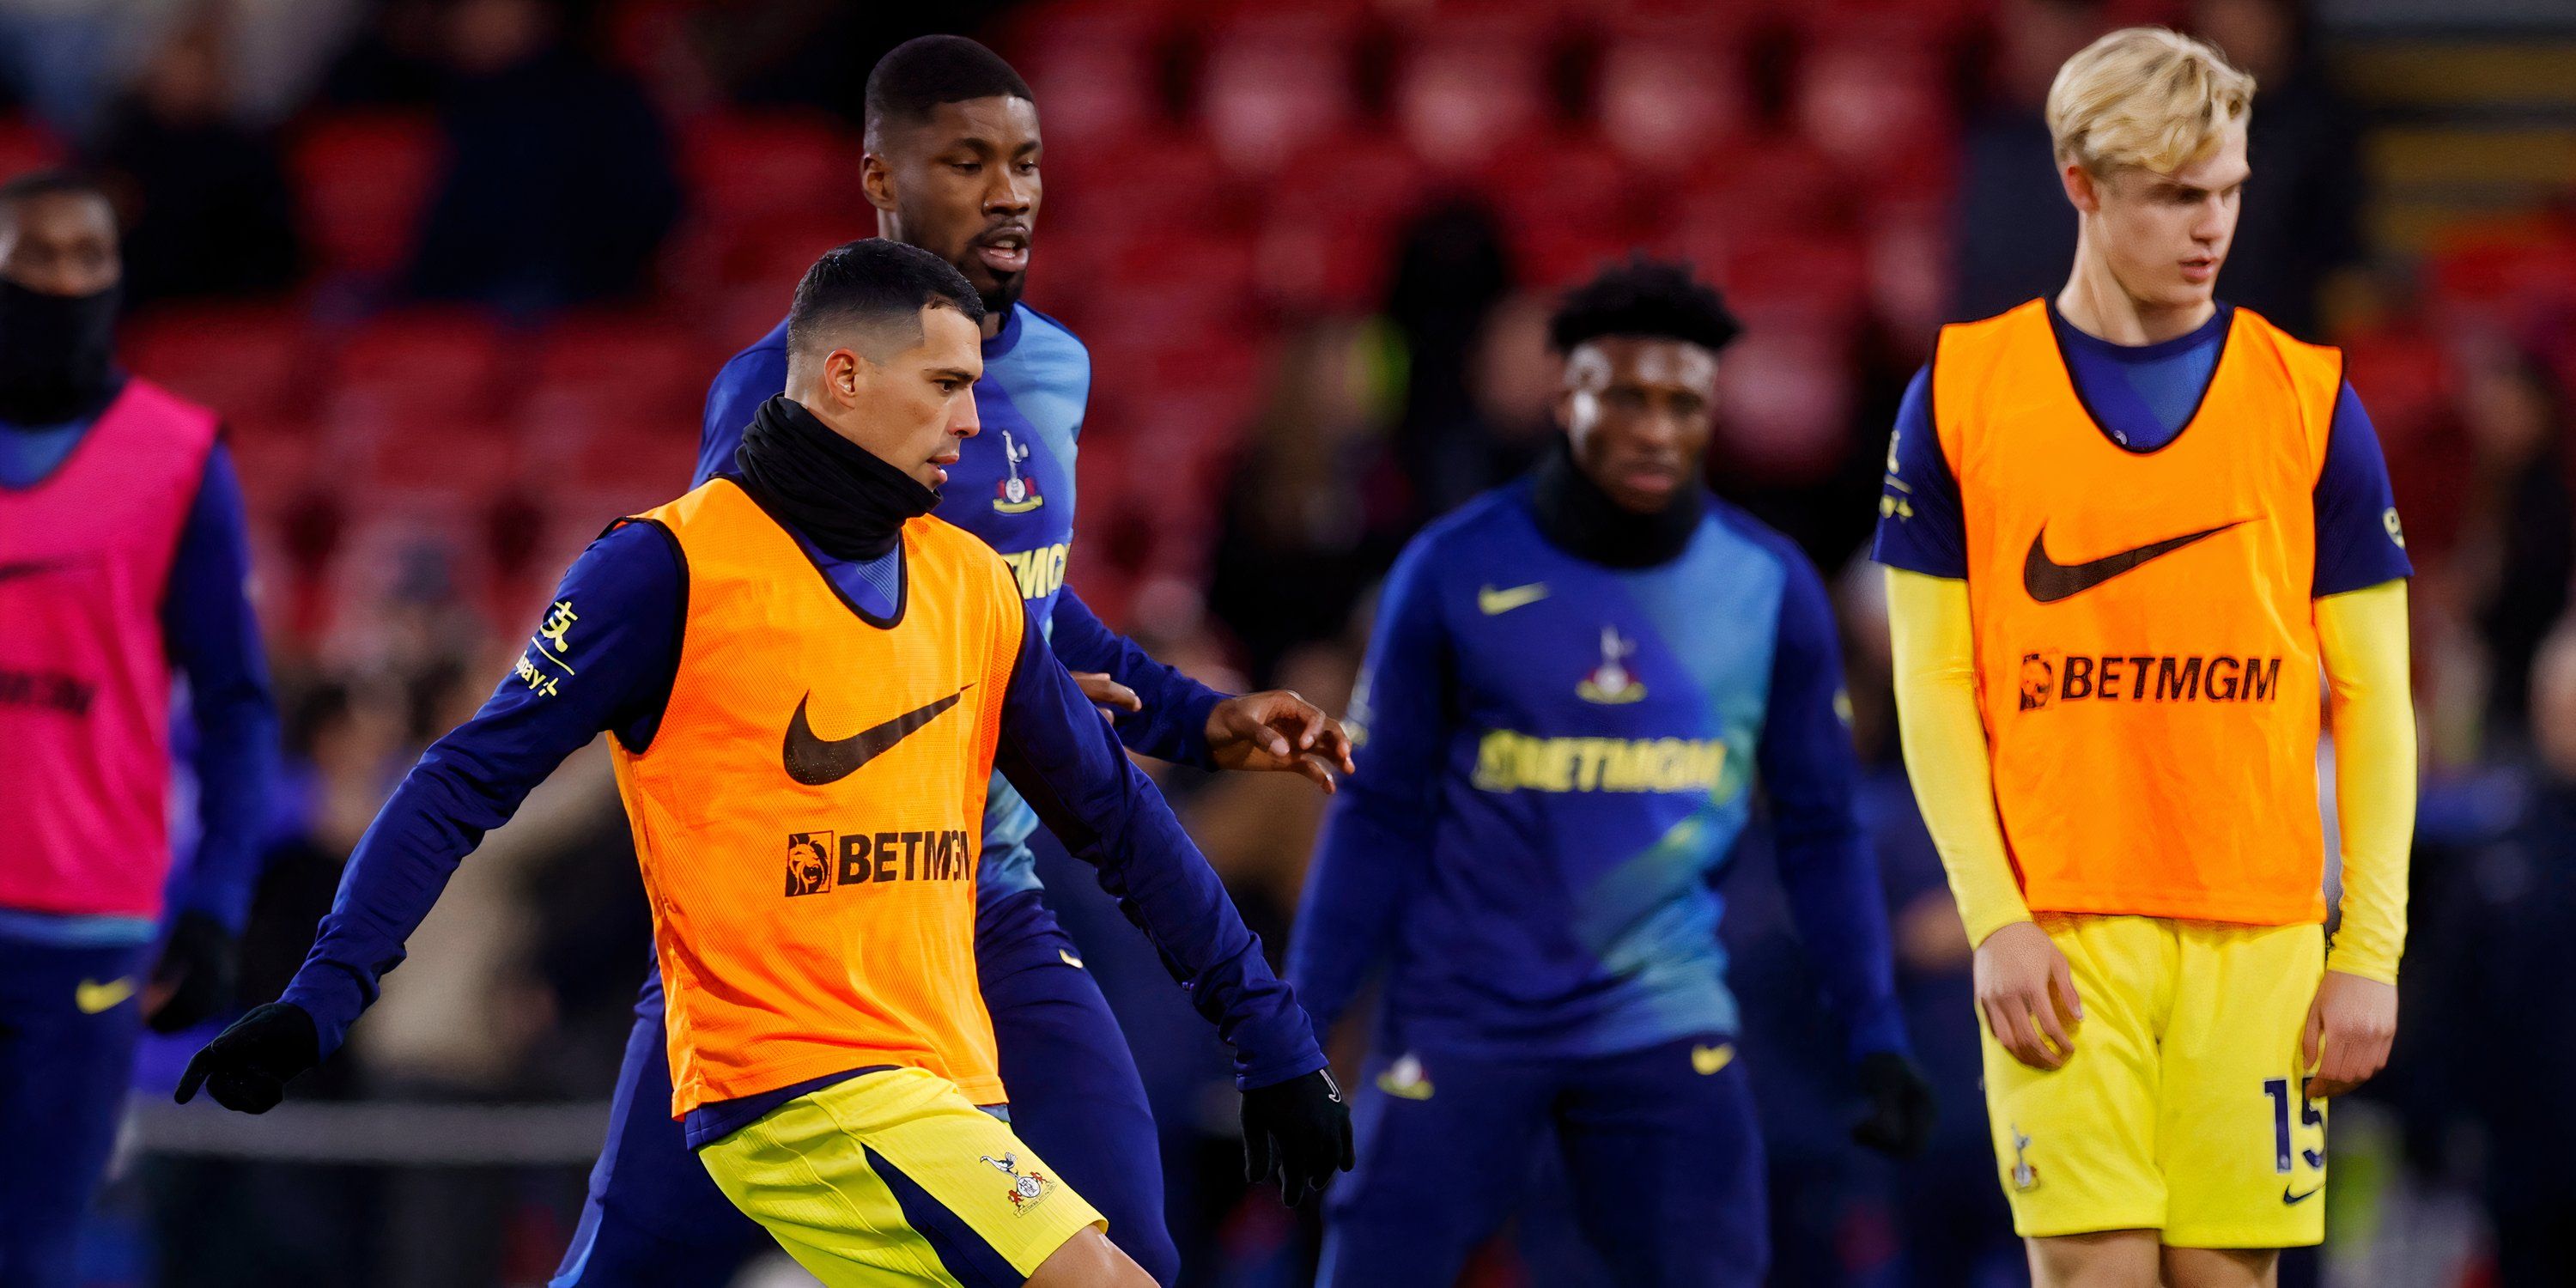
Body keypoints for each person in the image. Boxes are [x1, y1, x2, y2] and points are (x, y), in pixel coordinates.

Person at [177, 240, 1352, 1288]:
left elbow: (1123, 828)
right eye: (945, 386)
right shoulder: (665, 571)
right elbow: (459, 780)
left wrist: (1277, 1046)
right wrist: (323, 997)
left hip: (945, 1080)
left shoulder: (970, 588)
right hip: (793, 1082)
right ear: (845, 378)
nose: (970, 424)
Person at [565, 35, 1353, 1288]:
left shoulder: (1056, 371)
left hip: (987, 902)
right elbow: (751, 652)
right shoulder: (777, 394)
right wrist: (970, 710)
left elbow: (1025, 607)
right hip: (797, 933)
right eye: (969, 160)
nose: (1010, 192)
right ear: (880, 177)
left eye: (1028, 162)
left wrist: (1198, 720)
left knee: (1132, 1259)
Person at [1874, 28, 2415, 1288]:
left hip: (2261, 937)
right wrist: (1993, 918)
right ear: (2080, 180)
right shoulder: (1960, 393)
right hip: (2060, 941)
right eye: (2178, 194)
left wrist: (2367, 952)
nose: (2212, 225)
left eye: (2228, 189)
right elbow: (1934, 683)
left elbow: (2378, 698)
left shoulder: (2312, 401)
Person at [1289, 258, 1936, 1288]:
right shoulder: (1453, 571)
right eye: (1623, 396)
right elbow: (1376, 817)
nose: (1653, 428)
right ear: (1564, 395)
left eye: (1682, 402)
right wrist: (1300, 1025)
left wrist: (1874, 1028)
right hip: (1464, 1014)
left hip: (1661, 1015)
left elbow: (1821, 828)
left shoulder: (1765, 587)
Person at [0, 170, 276, 1288]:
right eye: (38, 256)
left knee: (33, 1253)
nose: (65, 281)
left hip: (88, 935)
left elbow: (236, 706)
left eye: (90, 260)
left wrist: (213, 908)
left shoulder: (176, 458)